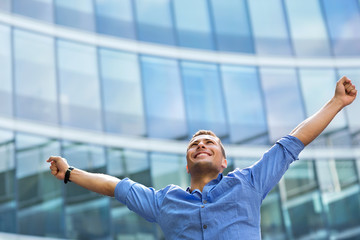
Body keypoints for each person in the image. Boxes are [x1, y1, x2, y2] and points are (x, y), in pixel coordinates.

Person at [47, 76, 357, 239]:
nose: (201, 145)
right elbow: (114, 186)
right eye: (195, 144)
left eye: (210, 142)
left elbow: (293, 141)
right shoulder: (165, 202)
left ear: (224, 161)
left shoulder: (247, 183)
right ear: (187, 164)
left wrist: (337, 102)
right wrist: (69, 173)